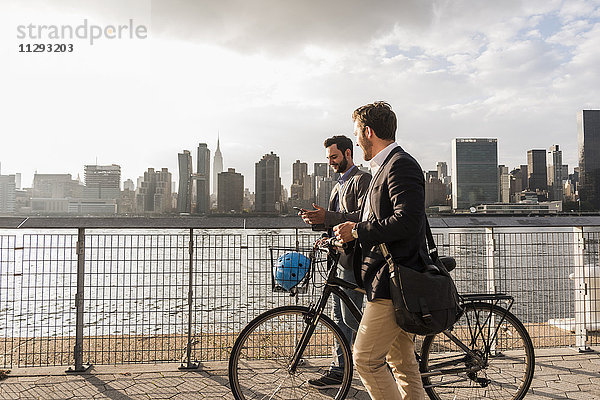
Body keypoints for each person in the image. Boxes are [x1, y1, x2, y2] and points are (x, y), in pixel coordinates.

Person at [334, 102, 427, 399]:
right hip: (385, 278)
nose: (356, 139)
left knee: (364, 359)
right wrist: (346, 233)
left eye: (356, 133)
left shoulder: (401, 165)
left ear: (368, 131)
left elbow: (407, 221)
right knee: (401, 362)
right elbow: (377, 220)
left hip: (393, 282)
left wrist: (358, 230)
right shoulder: (383, 167)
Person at [300, 135, 371, 389]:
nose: (330, 162)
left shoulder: (362, 180)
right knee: (339, 317)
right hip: (338, 259)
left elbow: (364, 217)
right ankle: (340, 369)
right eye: (328, 158)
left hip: (355, 261)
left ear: (348, 153)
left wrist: (327, 216)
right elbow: (333, 223)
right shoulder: (337, 186)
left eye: (334, 157)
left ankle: (367, 364)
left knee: (352, 319)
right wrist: (318, 224)